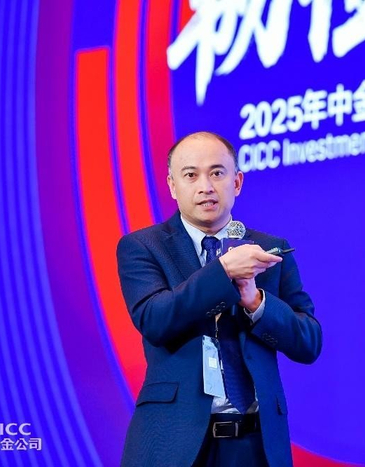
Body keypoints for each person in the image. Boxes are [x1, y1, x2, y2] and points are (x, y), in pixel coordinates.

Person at [116, 131, 322, 466]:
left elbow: (309, 342)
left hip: (256, 444)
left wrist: (256, 303)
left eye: (217, 173)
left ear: (237, 182)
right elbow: (154, 319)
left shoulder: (270, 249)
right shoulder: (143, 246)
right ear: (172, 186)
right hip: (175, 443)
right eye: (191, 175)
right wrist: (223, 272)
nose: (206, 186)